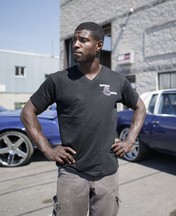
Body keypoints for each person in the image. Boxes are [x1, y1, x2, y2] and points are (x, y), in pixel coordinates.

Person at [20, 22, 146, 216]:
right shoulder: (58, 80)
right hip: (72, 173)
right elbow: (27, 112)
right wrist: (47, 150)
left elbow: (140, 107)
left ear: (99, 45)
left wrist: (130, 141)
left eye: (83, 40)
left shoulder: (117, 80)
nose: (76, 44)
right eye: (75, 39)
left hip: (108, 173)